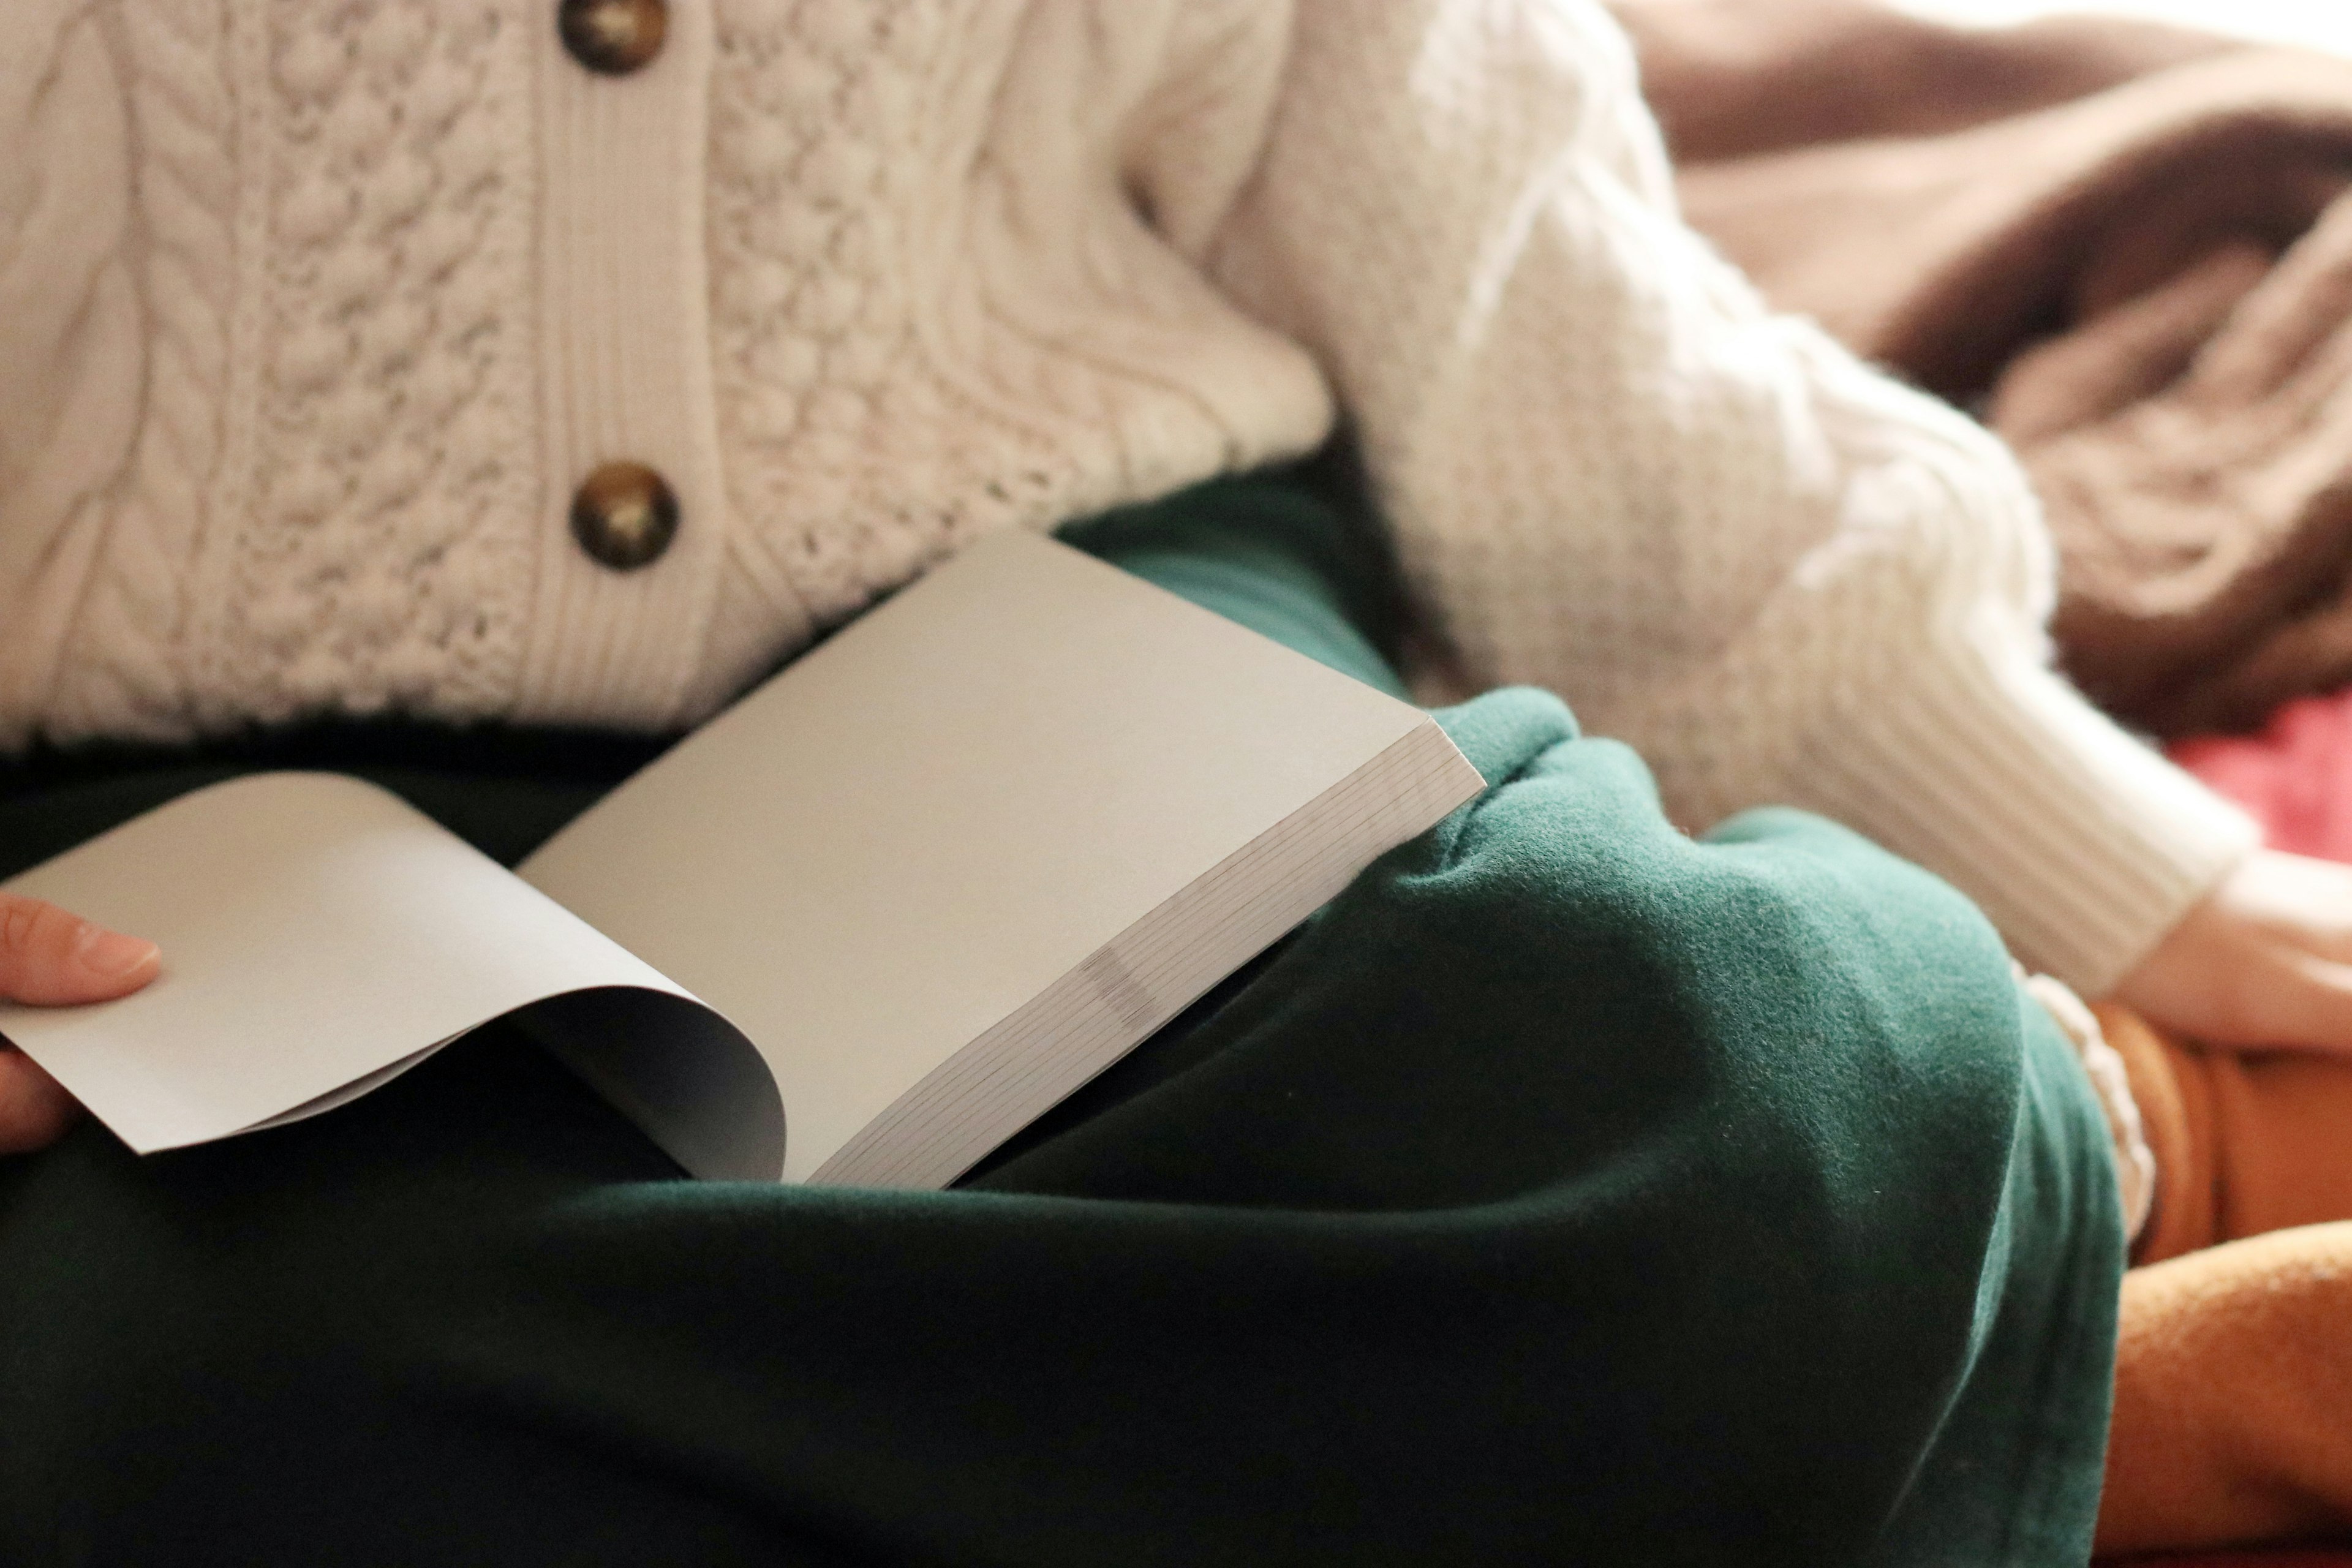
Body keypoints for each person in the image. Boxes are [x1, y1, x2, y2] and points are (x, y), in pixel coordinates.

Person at [0, 0, 2332, 1559]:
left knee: (1712, 1092)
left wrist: (2107, 862)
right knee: (138, 1440)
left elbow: (1530, 298)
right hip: (195, 834)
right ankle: (1896, 1390)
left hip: (1072, 635)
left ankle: (2081, 1148)